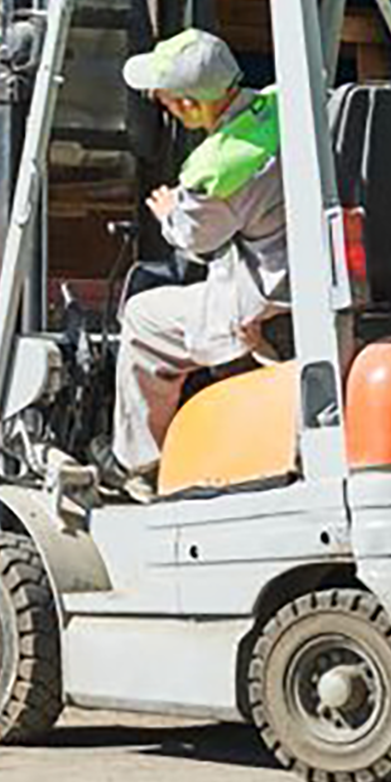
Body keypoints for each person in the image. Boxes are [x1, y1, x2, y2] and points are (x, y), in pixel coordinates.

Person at [91, 28, 289, 500]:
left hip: (268, 300)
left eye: (165, 101)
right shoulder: (289, 104)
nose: (164, 109)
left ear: (188, 105)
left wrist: (170, 213)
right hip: (319, 275)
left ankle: (140, 465)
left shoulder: (219, 166)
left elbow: (197, 243)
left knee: (143, 315)